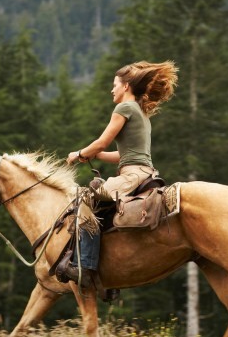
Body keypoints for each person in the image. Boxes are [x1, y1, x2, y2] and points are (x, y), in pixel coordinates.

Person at [56, 60, 178, 287]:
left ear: (125, 87)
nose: (111, 90)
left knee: (84, 201)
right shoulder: (141, 112)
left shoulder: (124, 108)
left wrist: (78, 154)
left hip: (131, 177)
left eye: (114, 85)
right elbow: (123, 154)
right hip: (143, 172)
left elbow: (102, 142)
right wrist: (95, 155)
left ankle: (86, 267)